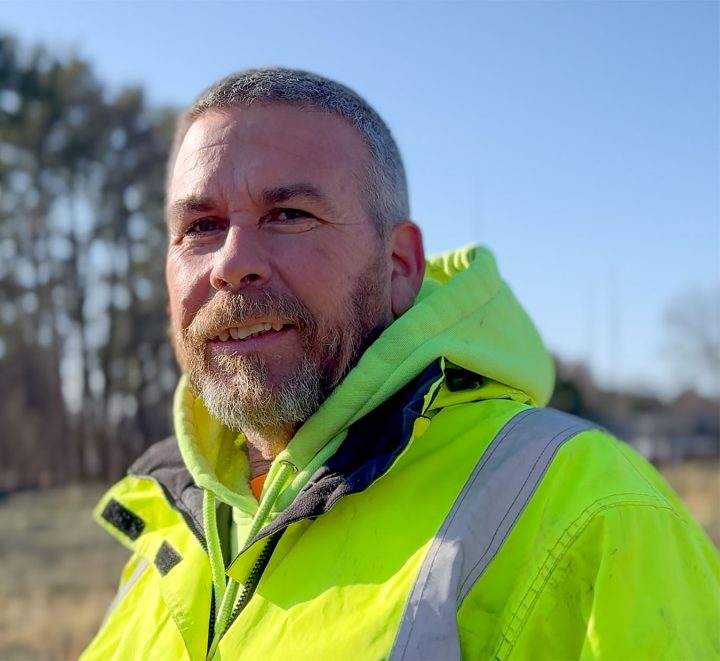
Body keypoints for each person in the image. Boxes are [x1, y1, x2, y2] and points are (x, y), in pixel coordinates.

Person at [81, 68, 720, 660]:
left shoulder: (595, 511)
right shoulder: (164, 524)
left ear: (400, 267)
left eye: (289, 215)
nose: (230, 262)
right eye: (200, 226)